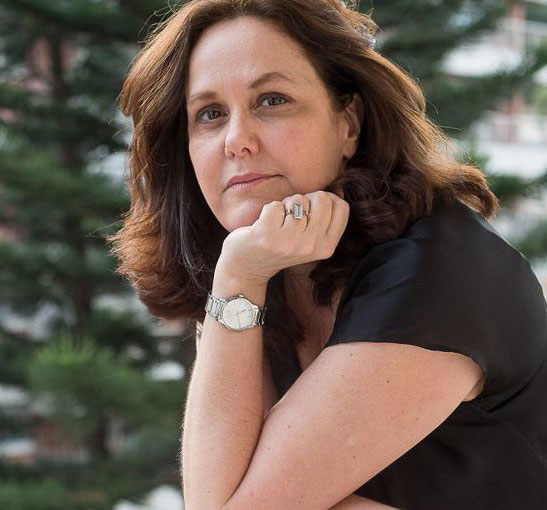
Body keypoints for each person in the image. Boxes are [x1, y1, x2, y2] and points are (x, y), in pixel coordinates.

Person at [107, 0, 547, 508]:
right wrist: (239, 277)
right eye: (210, 114)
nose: (237, 140)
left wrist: (238, 283)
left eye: (272, 100)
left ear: (348, 124)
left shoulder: (440, 274)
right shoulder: (254, 271)